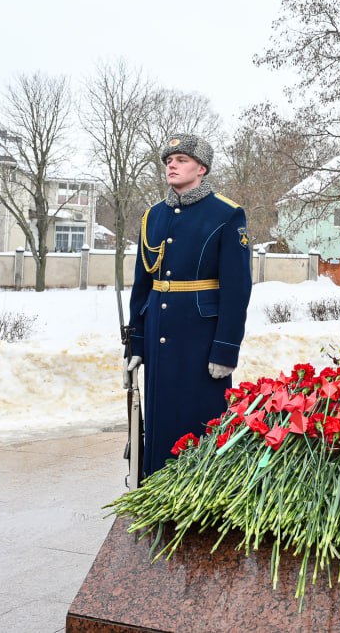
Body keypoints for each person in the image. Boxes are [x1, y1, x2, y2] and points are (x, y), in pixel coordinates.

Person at [124, 134, 252, 477]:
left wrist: (226, 349)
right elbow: (142, 285)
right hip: (158, 333)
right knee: (160, 419)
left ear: (201, 168)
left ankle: (200, 491)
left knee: (200, 421)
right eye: (169, 160)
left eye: (181, 159)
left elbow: (237, 289)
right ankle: (155, 487)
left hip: (201, 337)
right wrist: (136, 343)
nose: (172, 165)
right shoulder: (152, 216)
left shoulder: (226, 214)